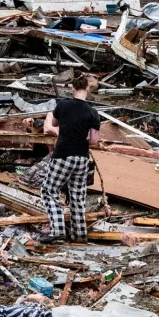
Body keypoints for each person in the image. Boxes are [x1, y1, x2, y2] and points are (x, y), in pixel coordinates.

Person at [40, 72, 100, 244]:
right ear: (87, 88)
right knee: (77, 197)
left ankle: (57, 229)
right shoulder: (93, 113)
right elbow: (94, 141)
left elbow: (53, 125)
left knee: (48, 191)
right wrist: (81, 142)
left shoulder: (63, 105)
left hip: (63, 154)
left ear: (73, 88)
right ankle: (79, 236)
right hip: (82, 158)